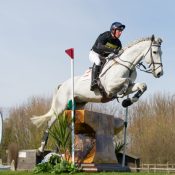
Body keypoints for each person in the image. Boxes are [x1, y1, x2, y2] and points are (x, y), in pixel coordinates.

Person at [89, 22, 125, 91]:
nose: (120, 33)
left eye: (121, 31)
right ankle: (93, 82)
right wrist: (113, 50)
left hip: (104, 58)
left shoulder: (118, 43)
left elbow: (119, 53)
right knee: (97, 61)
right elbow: (99, 46)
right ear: (113, 30)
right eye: (119, 31)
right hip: (94, 54)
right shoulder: (105, 35)